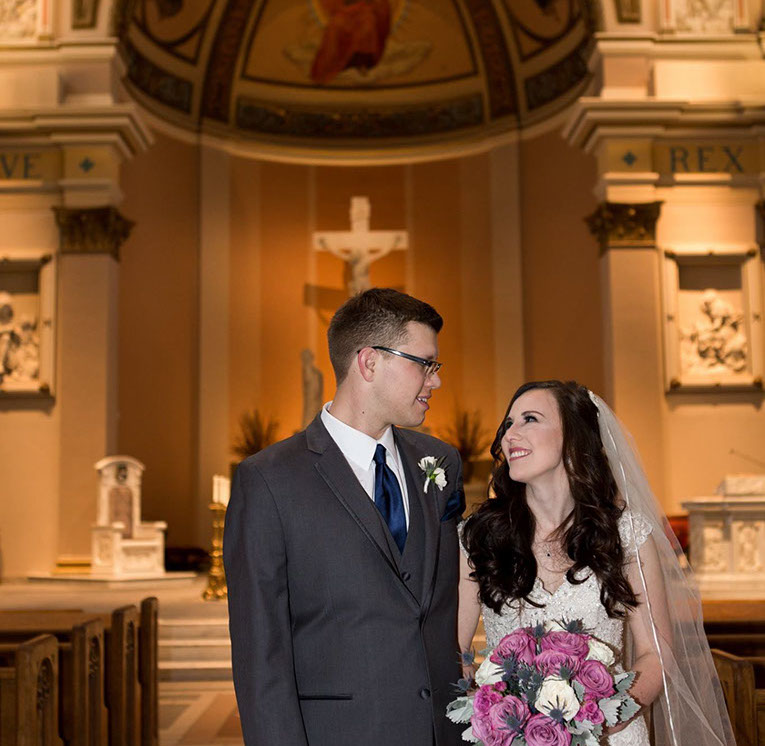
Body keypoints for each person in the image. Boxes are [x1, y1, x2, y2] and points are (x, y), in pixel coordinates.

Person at [224, 287, 465, 746]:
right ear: (369, 362)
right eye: (425, 364)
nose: (435, 382)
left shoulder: (440, 463)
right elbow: (260, 654)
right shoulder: (269, 480)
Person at [458, 380, 733, 745]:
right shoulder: (478, 537)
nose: (510, 435)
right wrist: (491, 709)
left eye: (530, 419)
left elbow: (656, 653)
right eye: (508, 424)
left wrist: (604, 717)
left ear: (574, 438)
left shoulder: (626, 536)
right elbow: (456, 649)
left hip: (610, 734)